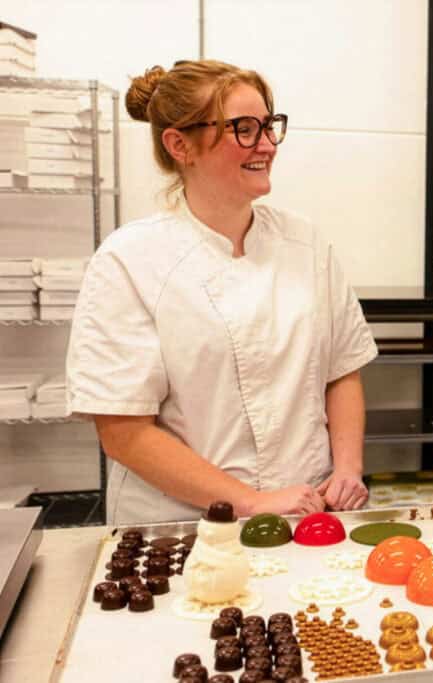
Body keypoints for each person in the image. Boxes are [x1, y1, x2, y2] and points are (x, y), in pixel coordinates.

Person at [66, 60, 378, 524]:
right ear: (180, 145)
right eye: (245, 130)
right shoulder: (130, 260)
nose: (268, 145)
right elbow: (124, 432)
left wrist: (348, 469)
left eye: (270, 127)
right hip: (181, 524)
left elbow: (342, 371)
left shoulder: (306, 244)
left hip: (306, 510)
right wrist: (249, 501)